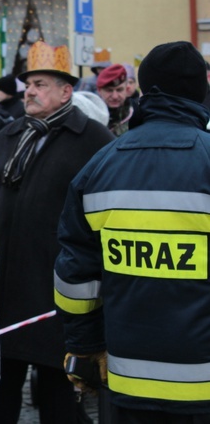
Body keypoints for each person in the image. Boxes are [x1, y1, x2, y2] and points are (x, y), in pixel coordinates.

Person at [55, 41, 210, 423]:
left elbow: (75, 277)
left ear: (143, 90)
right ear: (201, 91)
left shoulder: (101, 165)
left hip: (128, 382)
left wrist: (85, 346)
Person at [0, 41, 114, 424]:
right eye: (28, 84)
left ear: (66, 91)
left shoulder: (93, 141)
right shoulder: (6, 137)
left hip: (55, 291)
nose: (30, 90)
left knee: (59, 400)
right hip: (3, 290)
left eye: (41, 83)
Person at [96, 63, 132, 136]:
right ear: (99, 91)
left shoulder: (136, 118)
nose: (115, 96)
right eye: (109, 90)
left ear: (127, 90)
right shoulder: (93, 118)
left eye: (119, 90)